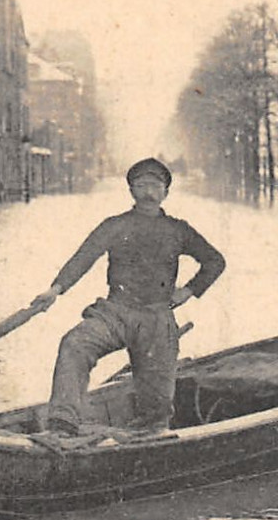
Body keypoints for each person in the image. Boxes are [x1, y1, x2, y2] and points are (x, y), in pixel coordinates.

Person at [31, 157, 225, 435]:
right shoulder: (114, 225)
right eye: (141, 185)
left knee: (156, 411)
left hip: (157, 321)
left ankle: (150, 436)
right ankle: (63, 424)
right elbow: (83, 258)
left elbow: (215, 261)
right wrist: (56, 289)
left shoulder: (178, 230)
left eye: (155, 186)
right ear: (131, 191)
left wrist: (189, 291)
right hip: (115, 313)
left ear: (165, 193)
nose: (148, 192)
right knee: (74, 344)